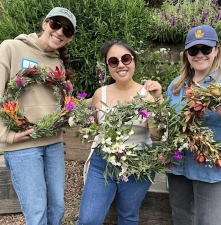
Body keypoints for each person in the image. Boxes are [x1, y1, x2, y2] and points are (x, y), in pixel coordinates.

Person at [0, 7, 76, 225]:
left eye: (67, 30)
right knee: (37, 212)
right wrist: (6, 136)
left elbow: (61, 104)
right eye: (55, 24)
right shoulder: (11, 48)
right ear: (44, 23)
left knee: (57, 207)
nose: (59, 32)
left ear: (70, 38)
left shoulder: (57, 63)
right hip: (22, 147)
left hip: (53, 144)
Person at [77, 40, 163, 225]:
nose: (121, 65)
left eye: (125, 59)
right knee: (88, 220)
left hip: (138, 164)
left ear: (134, 61)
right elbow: (95, 125)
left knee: (128, 215)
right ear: (108, 67)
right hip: (103, 163)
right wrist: (85, 127)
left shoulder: (148, 94)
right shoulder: (100, 94)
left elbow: (156, 134)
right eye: (113, 61)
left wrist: (158, 101)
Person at [166, 24, 221, 225]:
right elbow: (167, 126)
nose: (199, 54)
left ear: (216, 49)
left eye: (205, 49)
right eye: (193, 50)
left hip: (211, 172)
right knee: (181, 219)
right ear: (186, 54)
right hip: (178, 168)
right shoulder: (176, 86)